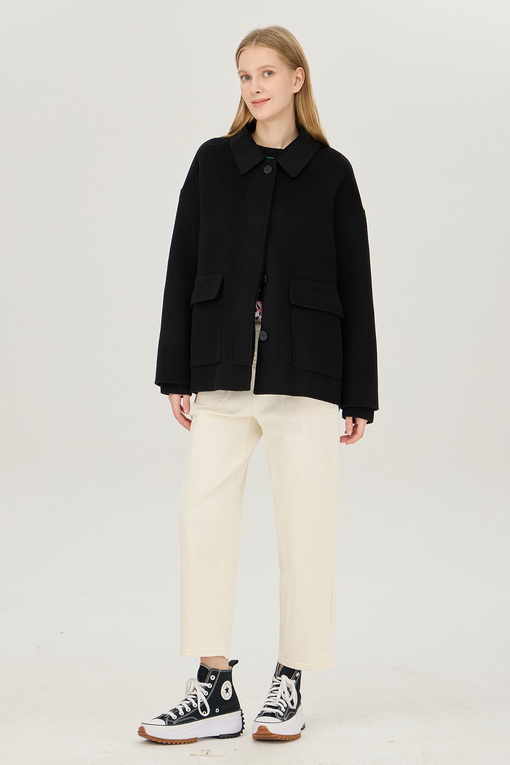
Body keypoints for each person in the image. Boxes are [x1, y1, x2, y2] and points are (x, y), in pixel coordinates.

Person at [138, 24, 379, 745]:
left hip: (306, 373)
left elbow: (357, 284)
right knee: (201, 516)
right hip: (220, 368)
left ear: (297, 78)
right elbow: (182, 263)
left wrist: (360, 392)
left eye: (267, 72)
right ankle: (214, 685)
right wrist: (174, 370)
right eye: (245, 75)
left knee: (307, 524)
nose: (254, 87)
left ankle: (291, 678)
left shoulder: (331, 172)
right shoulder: (214, 162)